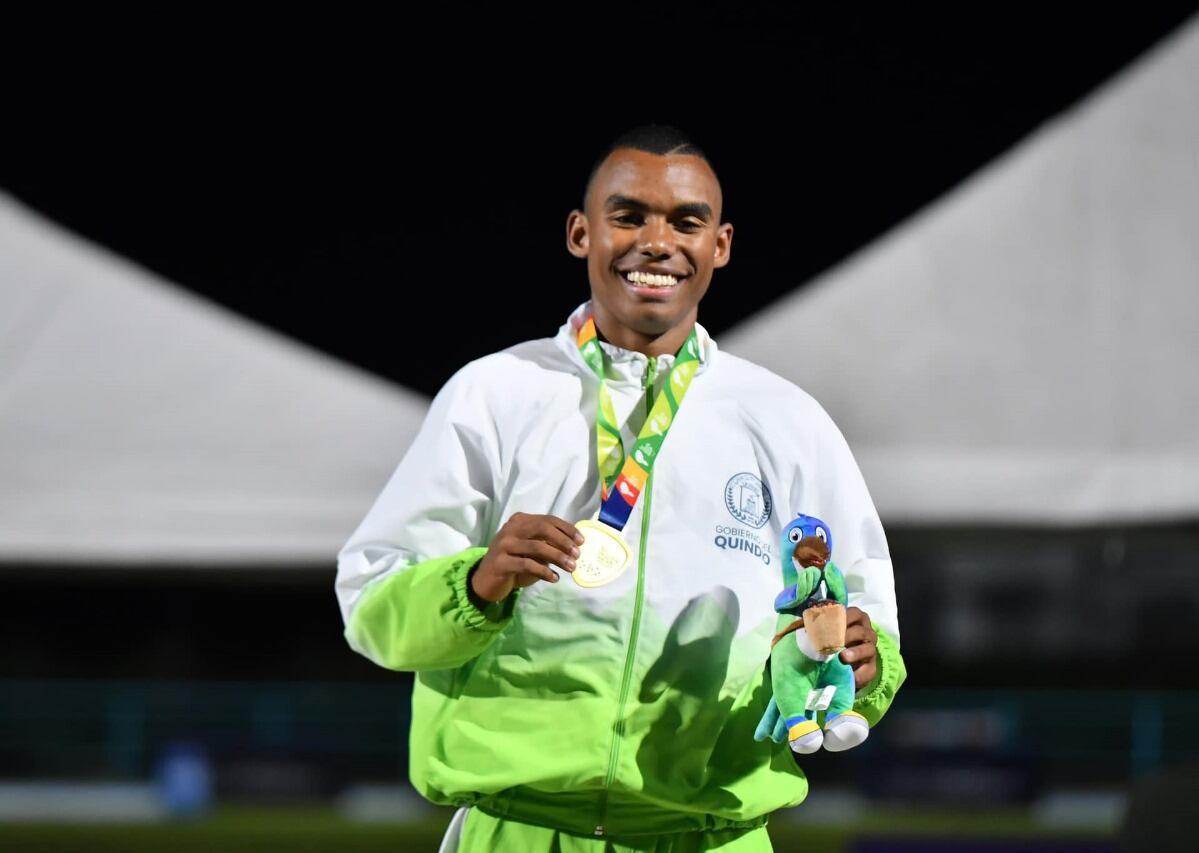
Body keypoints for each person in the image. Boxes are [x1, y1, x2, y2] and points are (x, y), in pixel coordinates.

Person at [335, 124, 906, 852]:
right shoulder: (495, 395)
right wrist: (476, 584)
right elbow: (372, 606)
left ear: (721, 245)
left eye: (687, 222)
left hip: (713, 835)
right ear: (582, 233)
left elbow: (868, 614)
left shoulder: (786, 419)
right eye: (630, 216)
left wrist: (864, 661)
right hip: (522, 831)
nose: (657, 242)